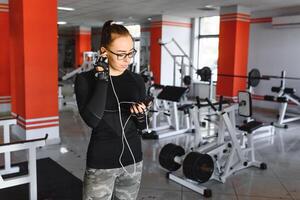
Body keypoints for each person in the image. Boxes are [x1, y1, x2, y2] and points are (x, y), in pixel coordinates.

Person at [74, 20, 149, 200]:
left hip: (133, 160)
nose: (127, 60)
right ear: (104, 52)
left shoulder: (137, 80)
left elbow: (143, 126)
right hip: (101, 162)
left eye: (131, 53)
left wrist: (140, 116)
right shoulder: (85, 80)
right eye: (121, 54)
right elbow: (92, 120)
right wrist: (102, 78)